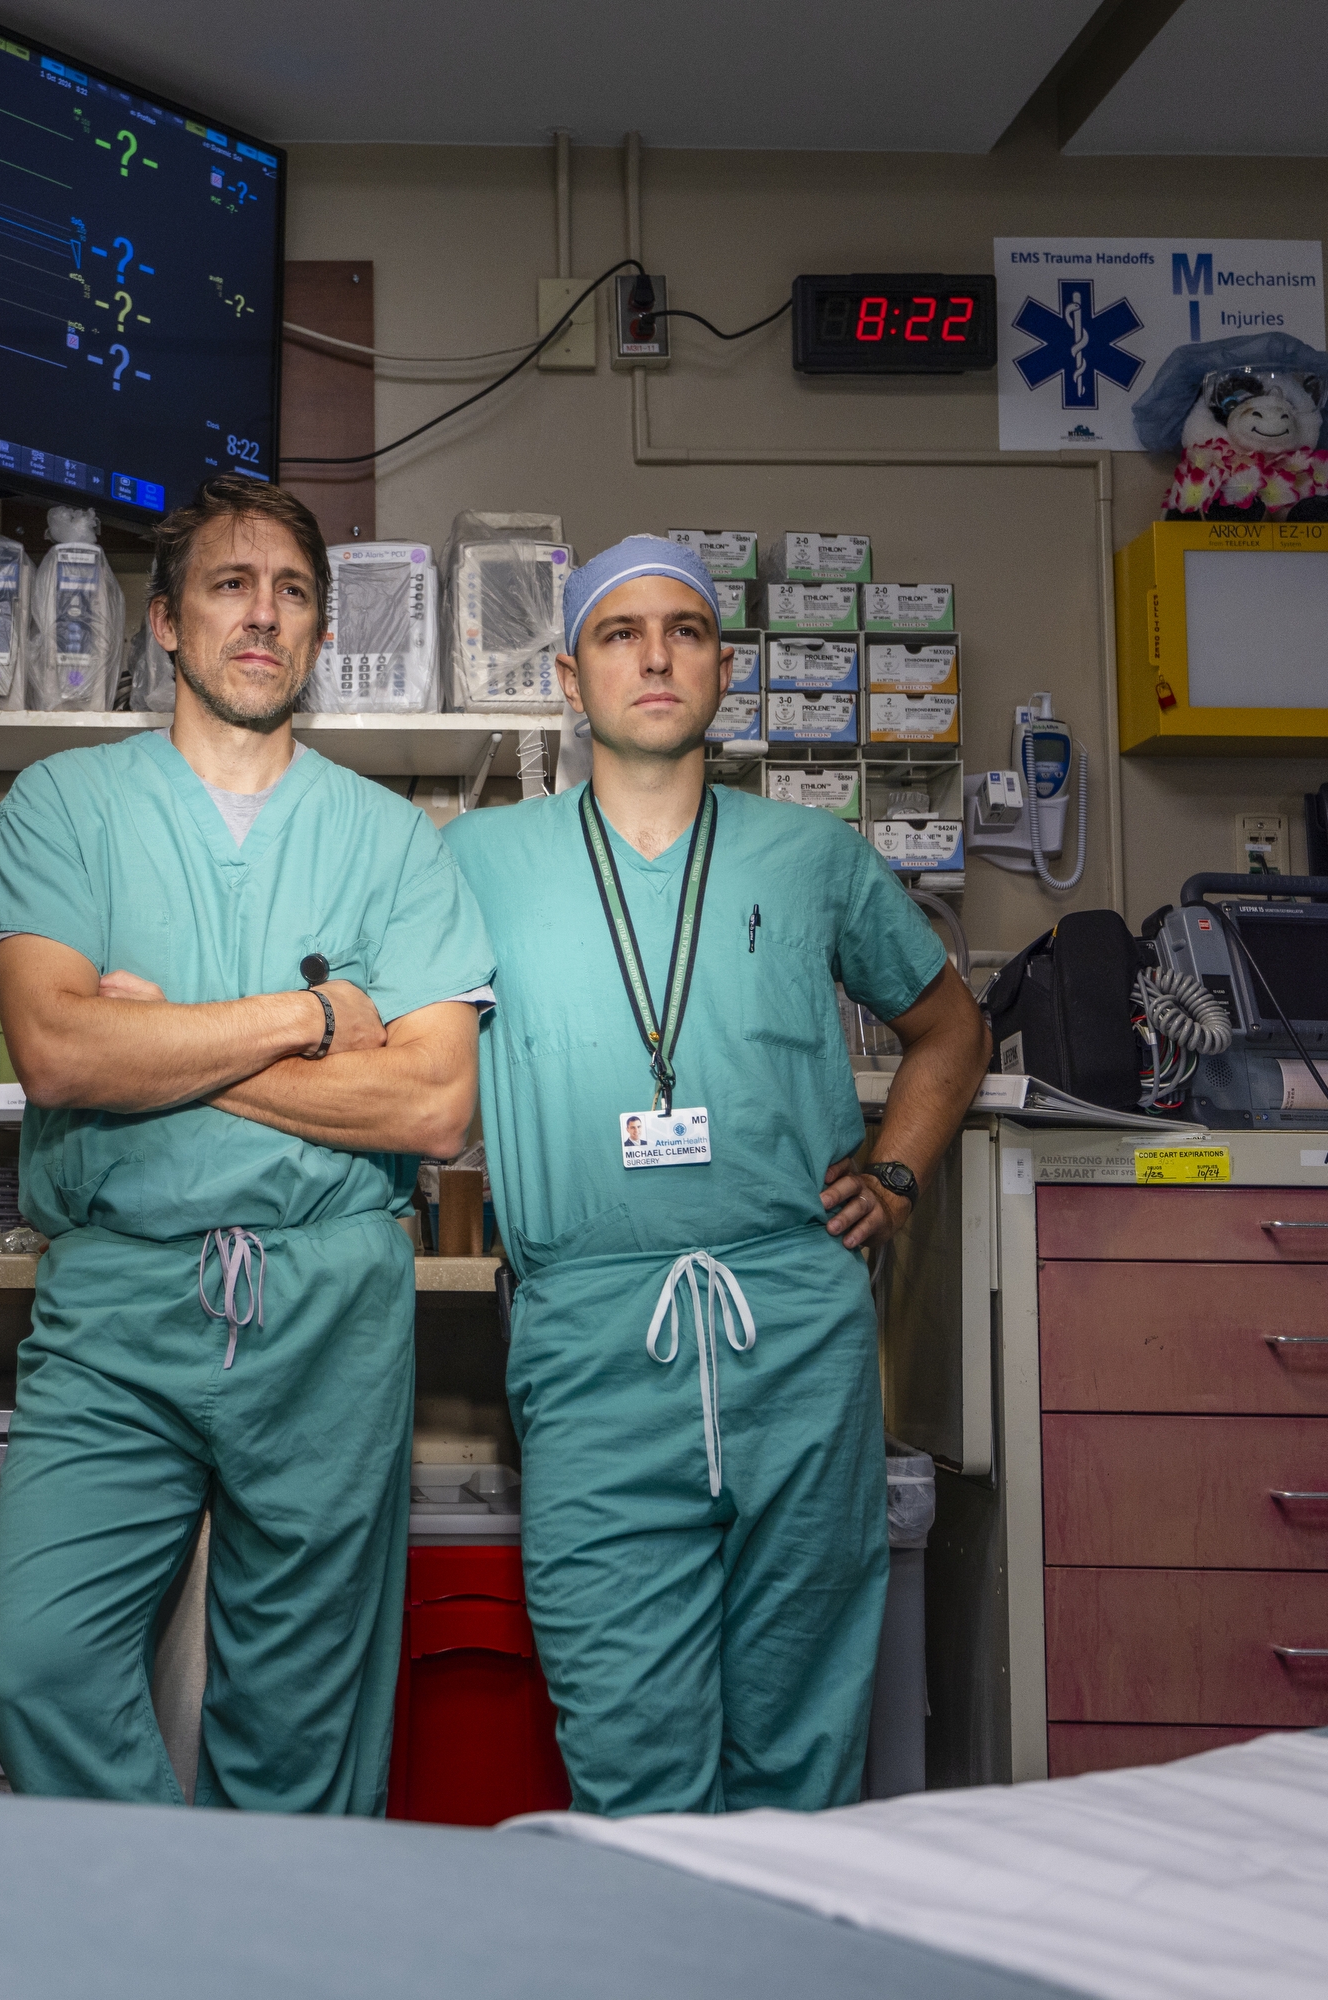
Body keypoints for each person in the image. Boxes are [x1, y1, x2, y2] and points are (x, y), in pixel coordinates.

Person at [0, 475, 494, 1812]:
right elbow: (60, 1052)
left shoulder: (394, 841)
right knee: (36, 1666)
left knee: (300, 1724)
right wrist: (310, 1021)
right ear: (166, 625)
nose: (263, 614)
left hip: (326, 1309)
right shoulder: (62, 806)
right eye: (230, 586)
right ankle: (180, 1915)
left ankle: (266, 1948)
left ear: (316, 633)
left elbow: (431, 1108)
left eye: (292, 591)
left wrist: (170, 1052)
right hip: (116, 1305)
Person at [442, 535, 990, 1817]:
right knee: (628, 1742)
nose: (654, 653)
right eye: (621, 632)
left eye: (684, 630)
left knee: (800, 1738)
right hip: (590, 1335)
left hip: (792, 1326)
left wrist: (896, 1172)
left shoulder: (811, 859)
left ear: (724, 670)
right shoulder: (481, 860)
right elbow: (377, 1027)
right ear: (569, 679)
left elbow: (949, 1027)